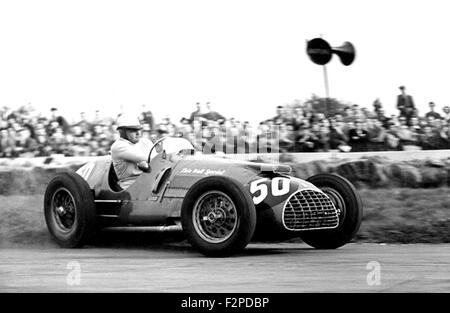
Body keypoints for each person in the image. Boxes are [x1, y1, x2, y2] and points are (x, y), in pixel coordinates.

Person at [111, 114, 153, 189]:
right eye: (132, 130)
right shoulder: (118, 146)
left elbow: (157, 157)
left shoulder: (145, 142)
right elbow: (147, 158)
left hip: (149, 181)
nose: (138, 133)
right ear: (122, 132)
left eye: (139, 129)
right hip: (130, 185)